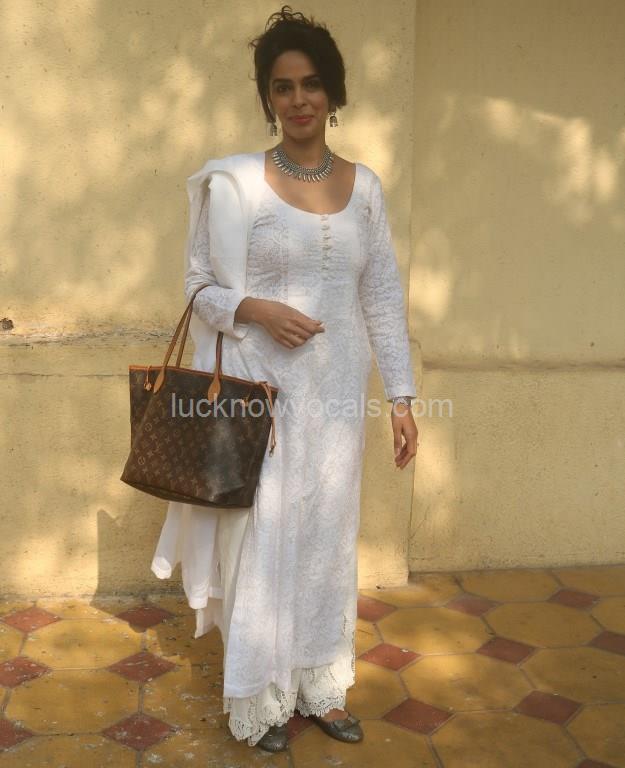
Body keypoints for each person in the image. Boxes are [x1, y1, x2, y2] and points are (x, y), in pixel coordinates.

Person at [150, 4, 419, 753]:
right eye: (282, 86)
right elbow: (197, 287)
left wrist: (401, 398)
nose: (298, 100)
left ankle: (320, 686)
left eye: (311, 84)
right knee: (262, 544)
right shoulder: (236, 184)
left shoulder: (366, 188)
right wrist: (256, 309)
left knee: (327, 542)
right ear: (267, 97)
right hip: (257, 395)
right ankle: (261, 698)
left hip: (336, 401)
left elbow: (381, 296)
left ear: (334, 92)